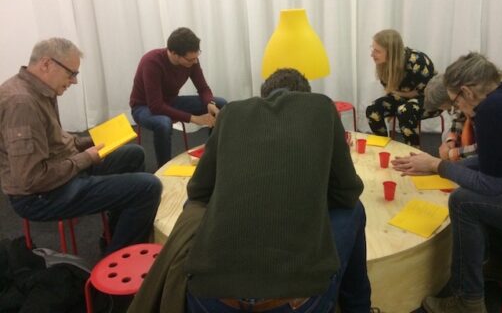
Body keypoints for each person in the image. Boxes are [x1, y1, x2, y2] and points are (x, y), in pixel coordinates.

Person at [128, 68, 372, 313]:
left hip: (209, 297)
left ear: (264, 95)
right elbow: (348, 192)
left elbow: (198, 192)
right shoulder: (322, 108)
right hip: (291, 300)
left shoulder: (231, 113)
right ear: (304, 96)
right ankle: (358, 307)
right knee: (354, 210)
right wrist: (309, 197)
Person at [391, 52, 502, 313]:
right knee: (480, 191)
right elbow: (494, 162)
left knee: (462, 201)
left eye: (455, 103)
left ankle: (467, 301)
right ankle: (497, 265)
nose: (457, 111)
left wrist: (438, 166)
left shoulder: (491, 111)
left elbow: (490, 184)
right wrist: (436, 167)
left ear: (466, 92)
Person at [0, 38, 162, 255]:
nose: (74, 81)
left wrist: (93, 140)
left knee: (134, 154)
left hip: (59, 172)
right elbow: (31, 179)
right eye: (71, 73)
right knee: (148, 187)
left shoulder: (39, 90)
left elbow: (56, 142)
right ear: (46, 64)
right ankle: (118, 258)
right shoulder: (22, 103)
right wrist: (85, 158)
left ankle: (113, 236)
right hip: (40, 196)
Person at [130, 27, 227, 168]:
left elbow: (203, 88)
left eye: (196, 57)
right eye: (190, 59)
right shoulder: (151, 62)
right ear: (174, 54)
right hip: (143, 107)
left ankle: (212, 155)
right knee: (163, 123)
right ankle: (164, 168)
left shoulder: (192, 61)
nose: (195, 62)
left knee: (220, 104)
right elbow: (156, 106)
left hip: (170, 102)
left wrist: (209, 103)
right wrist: (194, 119)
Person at [366, 29, 437, 147]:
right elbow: (391, 90)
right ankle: (383, 147)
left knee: (405, 111)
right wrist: (402, 97)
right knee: (372, 109)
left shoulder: (418, 61)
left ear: (391, 52)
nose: (372, 54)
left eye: (377, 51)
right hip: (403, 98)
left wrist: (401, 98)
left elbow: (427, 92)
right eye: (372, 49)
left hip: (430, 98)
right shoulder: (383, 64)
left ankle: (413, 151)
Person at [424, 74, 477, 161]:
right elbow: (459, 117)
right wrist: (451, 139)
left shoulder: (483, 111)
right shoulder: (463, 104)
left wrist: (452, 153)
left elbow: (484, 149)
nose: (454, 111)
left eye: (451, 108)